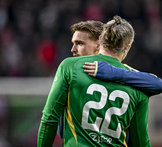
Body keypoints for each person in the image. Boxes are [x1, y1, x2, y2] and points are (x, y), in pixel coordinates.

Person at [37, 15, 153, 146]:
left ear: (100, 40)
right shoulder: (139, 83)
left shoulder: (70, 67)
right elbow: (141, 140)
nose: (73, 49)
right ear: (127, 46)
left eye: (79, 44)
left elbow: (49, 118)